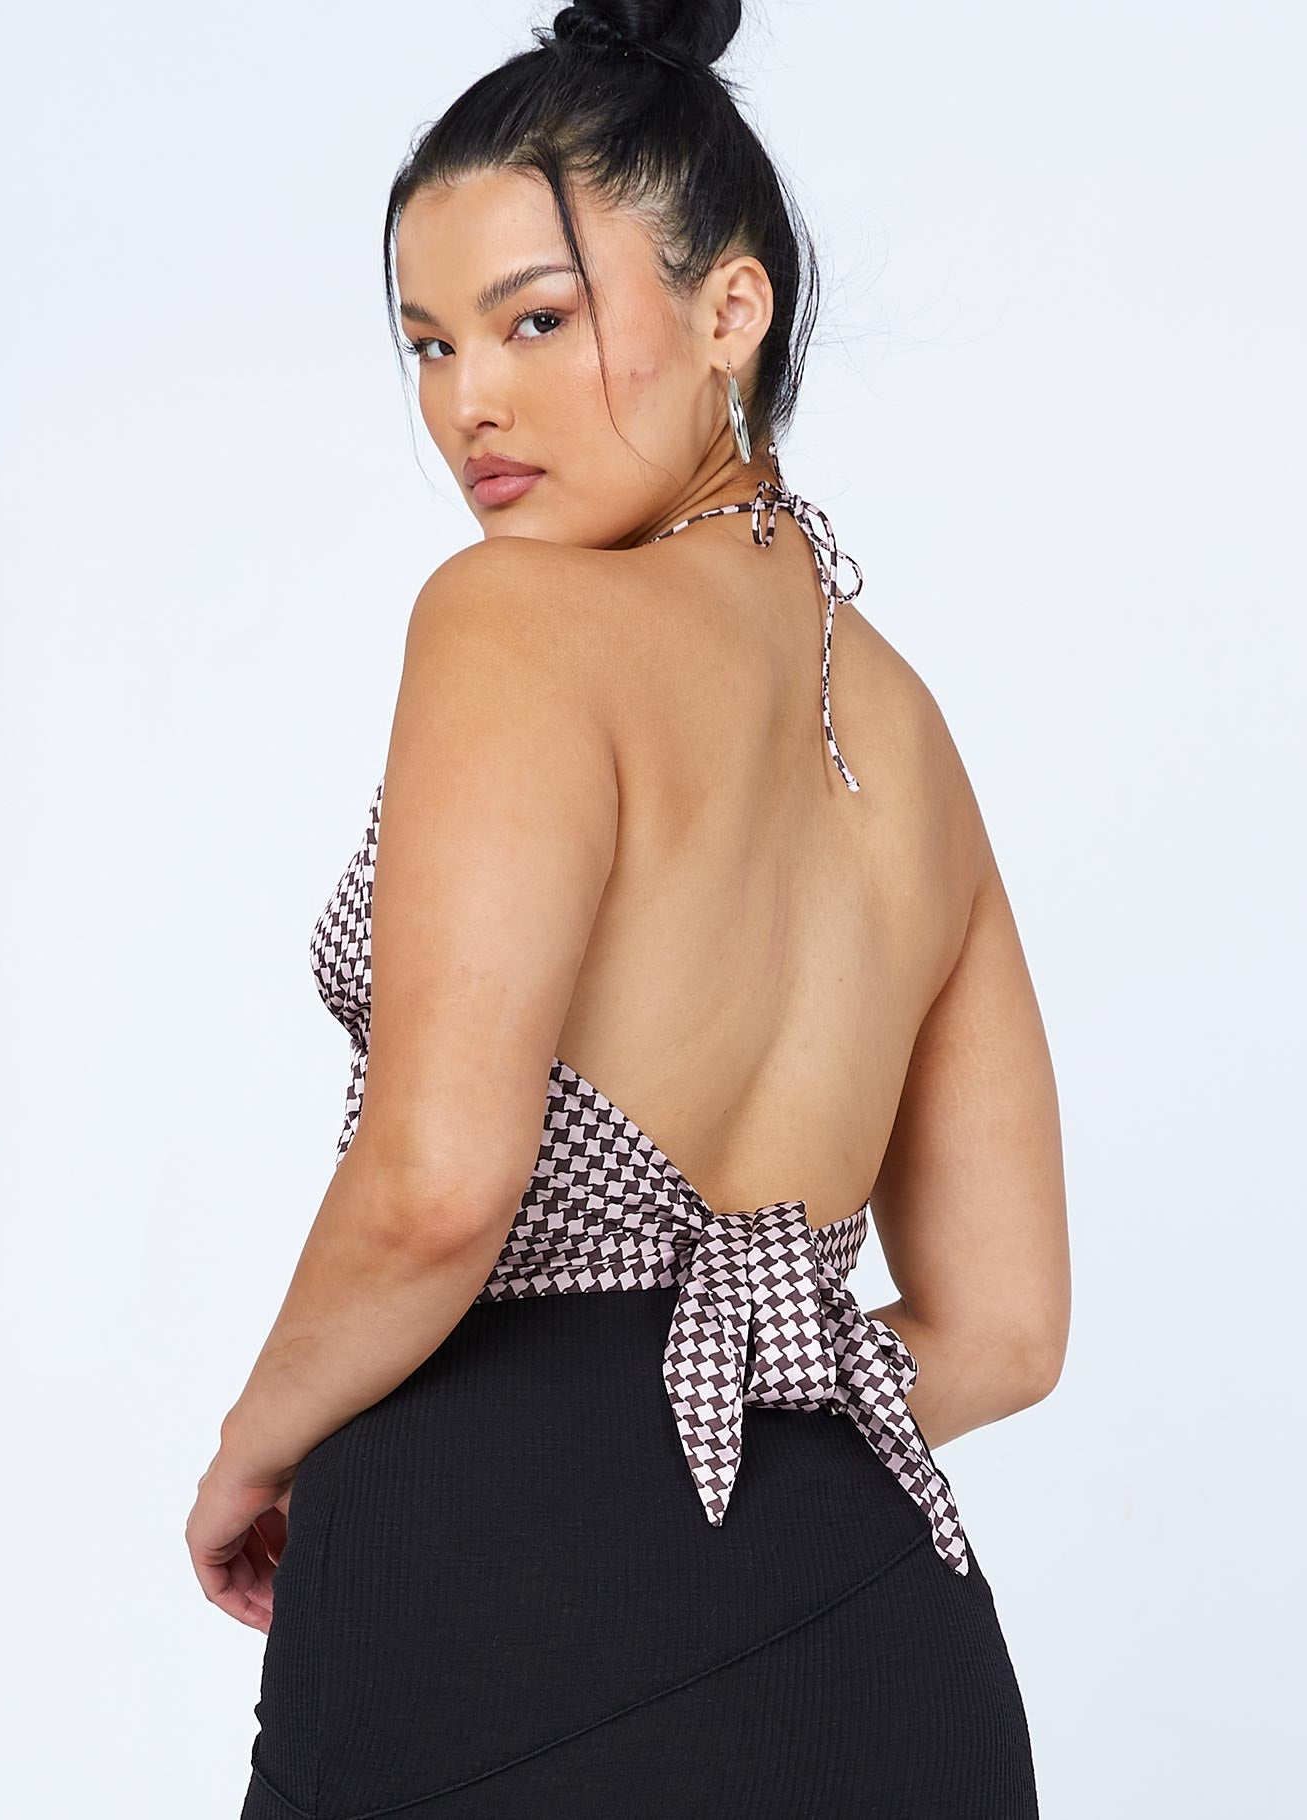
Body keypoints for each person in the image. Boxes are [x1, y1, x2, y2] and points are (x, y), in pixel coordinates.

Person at [187, 3, 1070, 1814]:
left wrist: (249, 1451)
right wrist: (740, 1416)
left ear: (731, 309)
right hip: (888, 1644)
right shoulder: (911, 733)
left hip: (495, 1615)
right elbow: (1002, 1330)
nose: (468, 403)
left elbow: (438, 1186)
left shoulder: (510, 620)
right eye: (427, 343)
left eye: (535, 319)